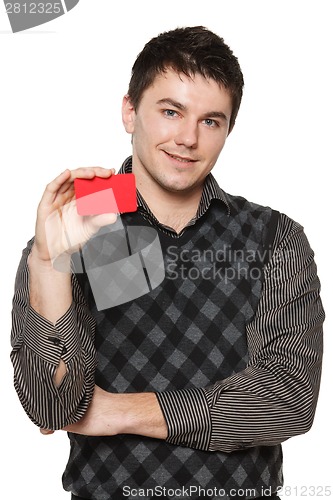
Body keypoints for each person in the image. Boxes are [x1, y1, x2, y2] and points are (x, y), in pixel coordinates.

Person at [10, 26, 324, 500]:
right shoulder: (72, 225)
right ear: (130, 111)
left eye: (211, 121)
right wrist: (50, 263)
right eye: (171, 111)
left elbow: (288, 399)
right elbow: (52, 407)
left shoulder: (273, 237)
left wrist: (118, 411)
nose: (188, 139)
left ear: (228, 131)